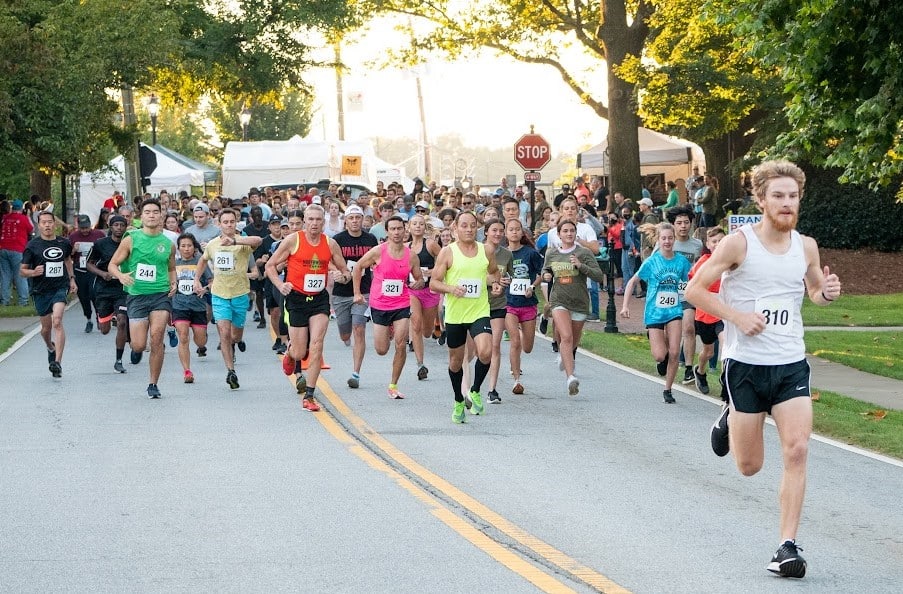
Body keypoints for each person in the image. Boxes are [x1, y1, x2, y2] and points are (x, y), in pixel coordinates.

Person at [686, 160, 841, 579]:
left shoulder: (806, 246)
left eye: (793, 196)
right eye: (778, 195)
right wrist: (736, 317)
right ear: (761, 199)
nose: (787, 203)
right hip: (746, 365)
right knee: (749, 466)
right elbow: (695, 289)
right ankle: (730, 412)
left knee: (797, 449)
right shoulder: (738, 244)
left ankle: (786, 546)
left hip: (790, 363)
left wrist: (826, 293)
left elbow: (811, 290)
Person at [266, 204, 350, 411]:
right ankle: (290, 353)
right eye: (310, 219)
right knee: (300, 350)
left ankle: (310, 395)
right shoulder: (293, 240)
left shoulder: (330, 244)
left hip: (319, 299)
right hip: (296, 298)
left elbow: (345, 271)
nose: (314, 223)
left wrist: (343, 276)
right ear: (304, 221)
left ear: (324, 222)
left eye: (318, 220)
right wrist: (280, 284)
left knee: (317, 344)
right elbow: (270, 266)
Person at [430, 211, 502, 423]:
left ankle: (476, 390)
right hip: (455, 315)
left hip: (479, 311)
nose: (469, 229)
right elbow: (434, 283)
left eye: (472, 225)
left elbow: (494, 272)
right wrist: (451, 288)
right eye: (464, 225)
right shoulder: (447, 252)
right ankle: (458, 399)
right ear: (455, 229)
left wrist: (495, 284)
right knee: (455, 362)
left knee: (486, 352)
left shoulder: (486, 250)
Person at [109, 198, 177, 399]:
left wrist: (174, 283)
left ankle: (153, 383)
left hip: (160, 295)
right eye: (147, 212)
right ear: (141, 216)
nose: (152, 215)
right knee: (139, 345)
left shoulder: (167, 244)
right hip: (137, 296)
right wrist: (121, 275)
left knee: (157, 338)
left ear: (161, 215)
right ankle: (137, 348)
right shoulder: (131, 239)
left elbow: (171, 268)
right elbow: (112, 265)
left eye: (155, 212)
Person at [352, 216, 424, 399]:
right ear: (387, 231)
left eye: (400, 228)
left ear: (404, 230)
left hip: (401, 304)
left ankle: (393, 384)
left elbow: (419, 278)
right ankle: (389, 329)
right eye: (393, 229)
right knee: (381, 349)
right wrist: (357, 293)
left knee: (401, 344)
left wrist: (419, 283)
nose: (397, 232)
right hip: (380, 305)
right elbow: (358, 266)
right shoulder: (378, 252)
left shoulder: (411, 256)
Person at [619, 222, 691, 403]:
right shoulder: (651, 262)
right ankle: (662, 357)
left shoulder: (682, 262)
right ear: (658, 240)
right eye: (664, 238)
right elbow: (632, 281)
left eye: (670, 238)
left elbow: (689, 284)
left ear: (674, 239)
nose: (667, 241)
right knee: (660, 355)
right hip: (654, 313)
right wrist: (625, 306)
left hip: (674, 311)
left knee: (674, 352)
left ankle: (668, 389)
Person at [194, 208, 262, 390]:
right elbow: (202, 261)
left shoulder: (243, 242)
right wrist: (196, 280)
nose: (229, 225)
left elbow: (258, 241)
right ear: (219, 224)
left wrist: (235, 240)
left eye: (232, 222)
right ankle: (231, 371)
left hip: (240, 294)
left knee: (235, 335)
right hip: (220, 294)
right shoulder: (213, 244)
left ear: (236, 222)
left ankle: (237, 342)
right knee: (224, 333)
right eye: (225, 222)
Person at [542, 219, 606, 395]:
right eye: (565, 231)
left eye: (572, 231)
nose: (569, 234)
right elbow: (546, 270)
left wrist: (581, 265)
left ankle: (565, 355)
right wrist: (546, 275)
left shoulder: (584, 252)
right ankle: (571, 378)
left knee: (573, 341)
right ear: (559, 234)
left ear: (575, 234)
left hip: (579, 302)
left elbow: (599, 276)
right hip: (559, 300)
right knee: (567, 336)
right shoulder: (552, 253)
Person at [21, 210, 76, 377]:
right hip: (40, 290)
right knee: (46, 328)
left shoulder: (64, 243)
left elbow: (67, 260)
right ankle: (50, 347)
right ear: (39, 225)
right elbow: (22, 271)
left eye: (50, 222)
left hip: (60, 287)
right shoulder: (32, 246)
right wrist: (33, 272)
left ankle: (57, 362)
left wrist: (72, 279)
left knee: (57, 321)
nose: (47, 225)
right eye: (43, 222)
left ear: (55, 224)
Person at [332, 205, 378, 388]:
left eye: (358, 218)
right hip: (341, 292)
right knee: (345, 334)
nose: (355, 221)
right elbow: (328, 261)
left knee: (359, 329)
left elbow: (378, 261)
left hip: (363, 291)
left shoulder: (370, 239)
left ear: (362, 219)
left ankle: (356, 373)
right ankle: (345, 336)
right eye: (351, 218)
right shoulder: (338, 240)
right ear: (346, 221)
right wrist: (336, 272)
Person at [86, 215, 130, 373]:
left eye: (122, 225)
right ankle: (112, 320)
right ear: (110, 227)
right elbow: (89, 264)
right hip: (103, 289)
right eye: (116, 225)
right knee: (104, 330)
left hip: (122, 289)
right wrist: (102, 273)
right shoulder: (100, 244)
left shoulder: (130, 243)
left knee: (122, 321)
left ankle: (118, 360)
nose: (119, 228)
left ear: (126, 226)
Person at [504, 218, 542, 395]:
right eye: (511, 229)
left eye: (517, 229)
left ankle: (520, 331)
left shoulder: (530, 253)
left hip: (528, 304)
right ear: (506, 233)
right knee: (515, 342)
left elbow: (542, 274)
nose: (514, 232)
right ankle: (516, 380)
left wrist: (533, 286)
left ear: (522, 233)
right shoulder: (501, 254)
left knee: (527, 348)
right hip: (508, 303)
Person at [667, 206, 704, 386]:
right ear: (673, 225)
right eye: (679, 223)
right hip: (667, 293)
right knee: (669, 333)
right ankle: (666, 358)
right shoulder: (666, 242)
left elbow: (702, 265)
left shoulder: (697, 245)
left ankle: (689, 369)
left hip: (688, 292)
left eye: (686, 222)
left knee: (689, 328)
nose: (683, 226)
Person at [687, 227, 726, 395]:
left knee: (727, 345)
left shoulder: (732, 262)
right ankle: (700, 371)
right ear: (708, 244)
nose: (717, 244)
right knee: (708, 352)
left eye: (721, 241)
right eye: (714, 242)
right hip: (705, 314)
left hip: (723, 314)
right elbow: (693, 285)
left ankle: (726, 377)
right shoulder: (703, 262)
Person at [406, 213, 442, 382]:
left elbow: (447, 263)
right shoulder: (405, 247)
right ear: (409, 227)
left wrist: (432, 272)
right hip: (411, 291)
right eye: (415, 224)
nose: (418, 226)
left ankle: (434, 328)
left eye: (421, 224)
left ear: (424, 227)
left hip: (429, 291)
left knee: (427, 331)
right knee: (416, 324)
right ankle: (421, 364)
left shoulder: (431, 245)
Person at [173, 233, 212, 384]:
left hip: (198, 306)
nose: (186, 249)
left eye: (189, 245)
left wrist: (205, 289)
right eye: (183, 246)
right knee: (183, 336)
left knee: (200, 341)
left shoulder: (200, 262)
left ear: (194, 247)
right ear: (178, 248)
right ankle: (187, 371)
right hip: (179, 305)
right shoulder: (174, 264)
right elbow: (169, 281)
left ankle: (202, 347)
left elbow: (211, 281)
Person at [481, 219, 513, 403]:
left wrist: (505, 282)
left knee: (494, 346)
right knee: (478, 350)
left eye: (501, 231)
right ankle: (469, 384)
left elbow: (510, 275)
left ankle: (492, 389)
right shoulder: (477, 251)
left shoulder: (507, 255)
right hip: (477, 305)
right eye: (494, 230)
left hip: (498, 304)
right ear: (486, 232)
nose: (498, 234)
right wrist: (492, 282)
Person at [68, 214, 106, 332]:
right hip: (80, 270)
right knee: (84, 297)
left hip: (94, 270)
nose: (84, 230)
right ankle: (88, 319)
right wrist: (73, 250)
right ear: (78, 227)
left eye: (86, 227)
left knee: (94, 294)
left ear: (91, 225)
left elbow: (105, 251)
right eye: (82, 228)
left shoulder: (99, 235)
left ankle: (99, 315)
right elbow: (68, 255)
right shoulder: (73, 236)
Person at [0, 199, 34, 307]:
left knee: (5, 276)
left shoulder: (5, 218)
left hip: (3, 248)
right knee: (20, 275)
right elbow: (31, 229)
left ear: (12, 208)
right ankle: (23, 301)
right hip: (17, 249)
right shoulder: (23, 219)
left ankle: (4, 301)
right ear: (21, 209)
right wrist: (28, 216)